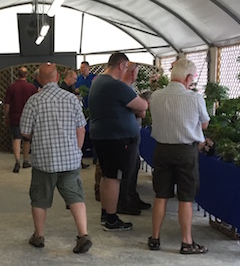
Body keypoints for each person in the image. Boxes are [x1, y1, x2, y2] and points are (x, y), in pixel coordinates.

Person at [19, 62, 92, 254]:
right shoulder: (71, 99)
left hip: (44, 161)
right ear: (57, 77)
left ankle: (39, 236)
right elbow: (81, 128)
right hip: (70, 160)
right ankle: (83, 234)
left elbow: (25, 131)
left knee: (39, 199)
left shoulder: (34, 101)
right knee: (75, 197)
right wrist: (76, 151)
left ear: (38, 79)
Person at [148, 57, 210, 254]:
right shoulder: (195, 98)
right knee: (185, 197)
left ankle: (155, 238)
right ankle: (186, 242)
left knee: (161, 195)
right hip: (185, 151)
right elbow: (204, 124)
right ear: (188, 77)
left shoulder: (156, 96)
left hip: (161, 149)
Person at [88, 52, 148, 231]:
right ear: (121, 66)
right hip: (116, 138)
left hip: (103, 135)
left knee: (107, 176)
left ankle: (106, 212)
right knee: (114, 178)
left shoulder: (99, 81)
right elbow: (142, 106)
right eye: (126, 67)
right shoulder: (115, 85)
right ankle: (112, 219)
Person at [117, 61, 152, 215]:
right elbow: (141, 111)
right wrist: (142, 104)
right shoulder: (125, 89)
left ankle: (131, 196)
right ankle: (124, 202)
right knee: (128, 169)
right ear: (132, 72)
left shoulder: (127, 88)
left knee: (134, 166)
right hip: (127, 135)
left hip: (130, 133)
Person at [4, 66, 37, 173]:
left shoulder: (11, 87)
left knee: (16, 138)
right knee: (26, 139)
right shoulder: (31, 88)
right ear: (27, 75)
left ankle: (17, 161)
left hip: (15, 116)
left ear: (17, 74)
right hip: (28, 117)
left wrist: (6, 116)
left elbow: (7, 104)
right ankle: (26, 160)